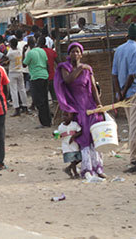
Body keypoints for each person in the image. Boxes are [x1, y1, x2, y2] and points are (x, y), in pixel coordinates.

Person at [55, 42, 106, 178]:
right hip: (76, 105)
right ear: (69, 54)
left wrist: (99, 106)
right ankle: (86, 169)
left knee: (93, 136)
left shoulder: (88, 70)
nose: (75, 54)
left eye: (78, 51)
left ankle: (98, 167)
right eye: (73, 51)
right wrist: (80, 68)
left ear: (81, 54)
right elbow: (68, 80)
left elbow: (94, 89)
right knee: (82, 137)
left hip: (89, 104)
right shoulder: (64, 67)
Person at [111, 23, 136, 164]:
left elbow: (114, 74)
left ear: (127, 35)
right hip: (135, 91)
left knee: (131, 124)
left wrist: (119, 93)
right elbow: (132, 75)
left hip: (123, 93)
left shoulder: (119, 49)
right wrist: (125, 91)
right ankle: (135, 156)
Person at [24, 36, 51, 127]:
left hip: (36, 77)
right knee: (45, 99)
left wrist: (24, 52)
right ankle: (48, 121)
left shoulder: (30, 53)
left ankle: (43, 122)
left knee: (38, 100)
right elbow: (47, 65)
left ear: (28, 44)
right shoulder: (42, 51)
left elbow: (24, 64)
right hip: (44, 76)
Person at [5, 38, 27, 117]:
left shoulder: (10, 53)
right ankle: (25, 106)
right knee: (22, 89)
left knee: (14, 91)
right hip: (20, 71)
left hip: (12, 72)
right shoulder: (19, 51)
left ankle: (17, 108)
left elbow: (6, 59)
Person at [58, 112, 82, 179]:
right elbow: (60, 135)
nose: (64, 117)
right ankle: (75, 173)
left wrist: (73, 136)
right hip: (67, 146)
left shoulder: (74, 124)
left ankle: (68, 168)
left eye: (67, 115)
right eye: (63, 115)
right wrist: (55, 135)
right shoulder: (60, 127)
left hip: (75, 145)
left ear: (71, 116)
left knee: (80, 158)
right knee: (73, 160)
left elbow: (80, 131)